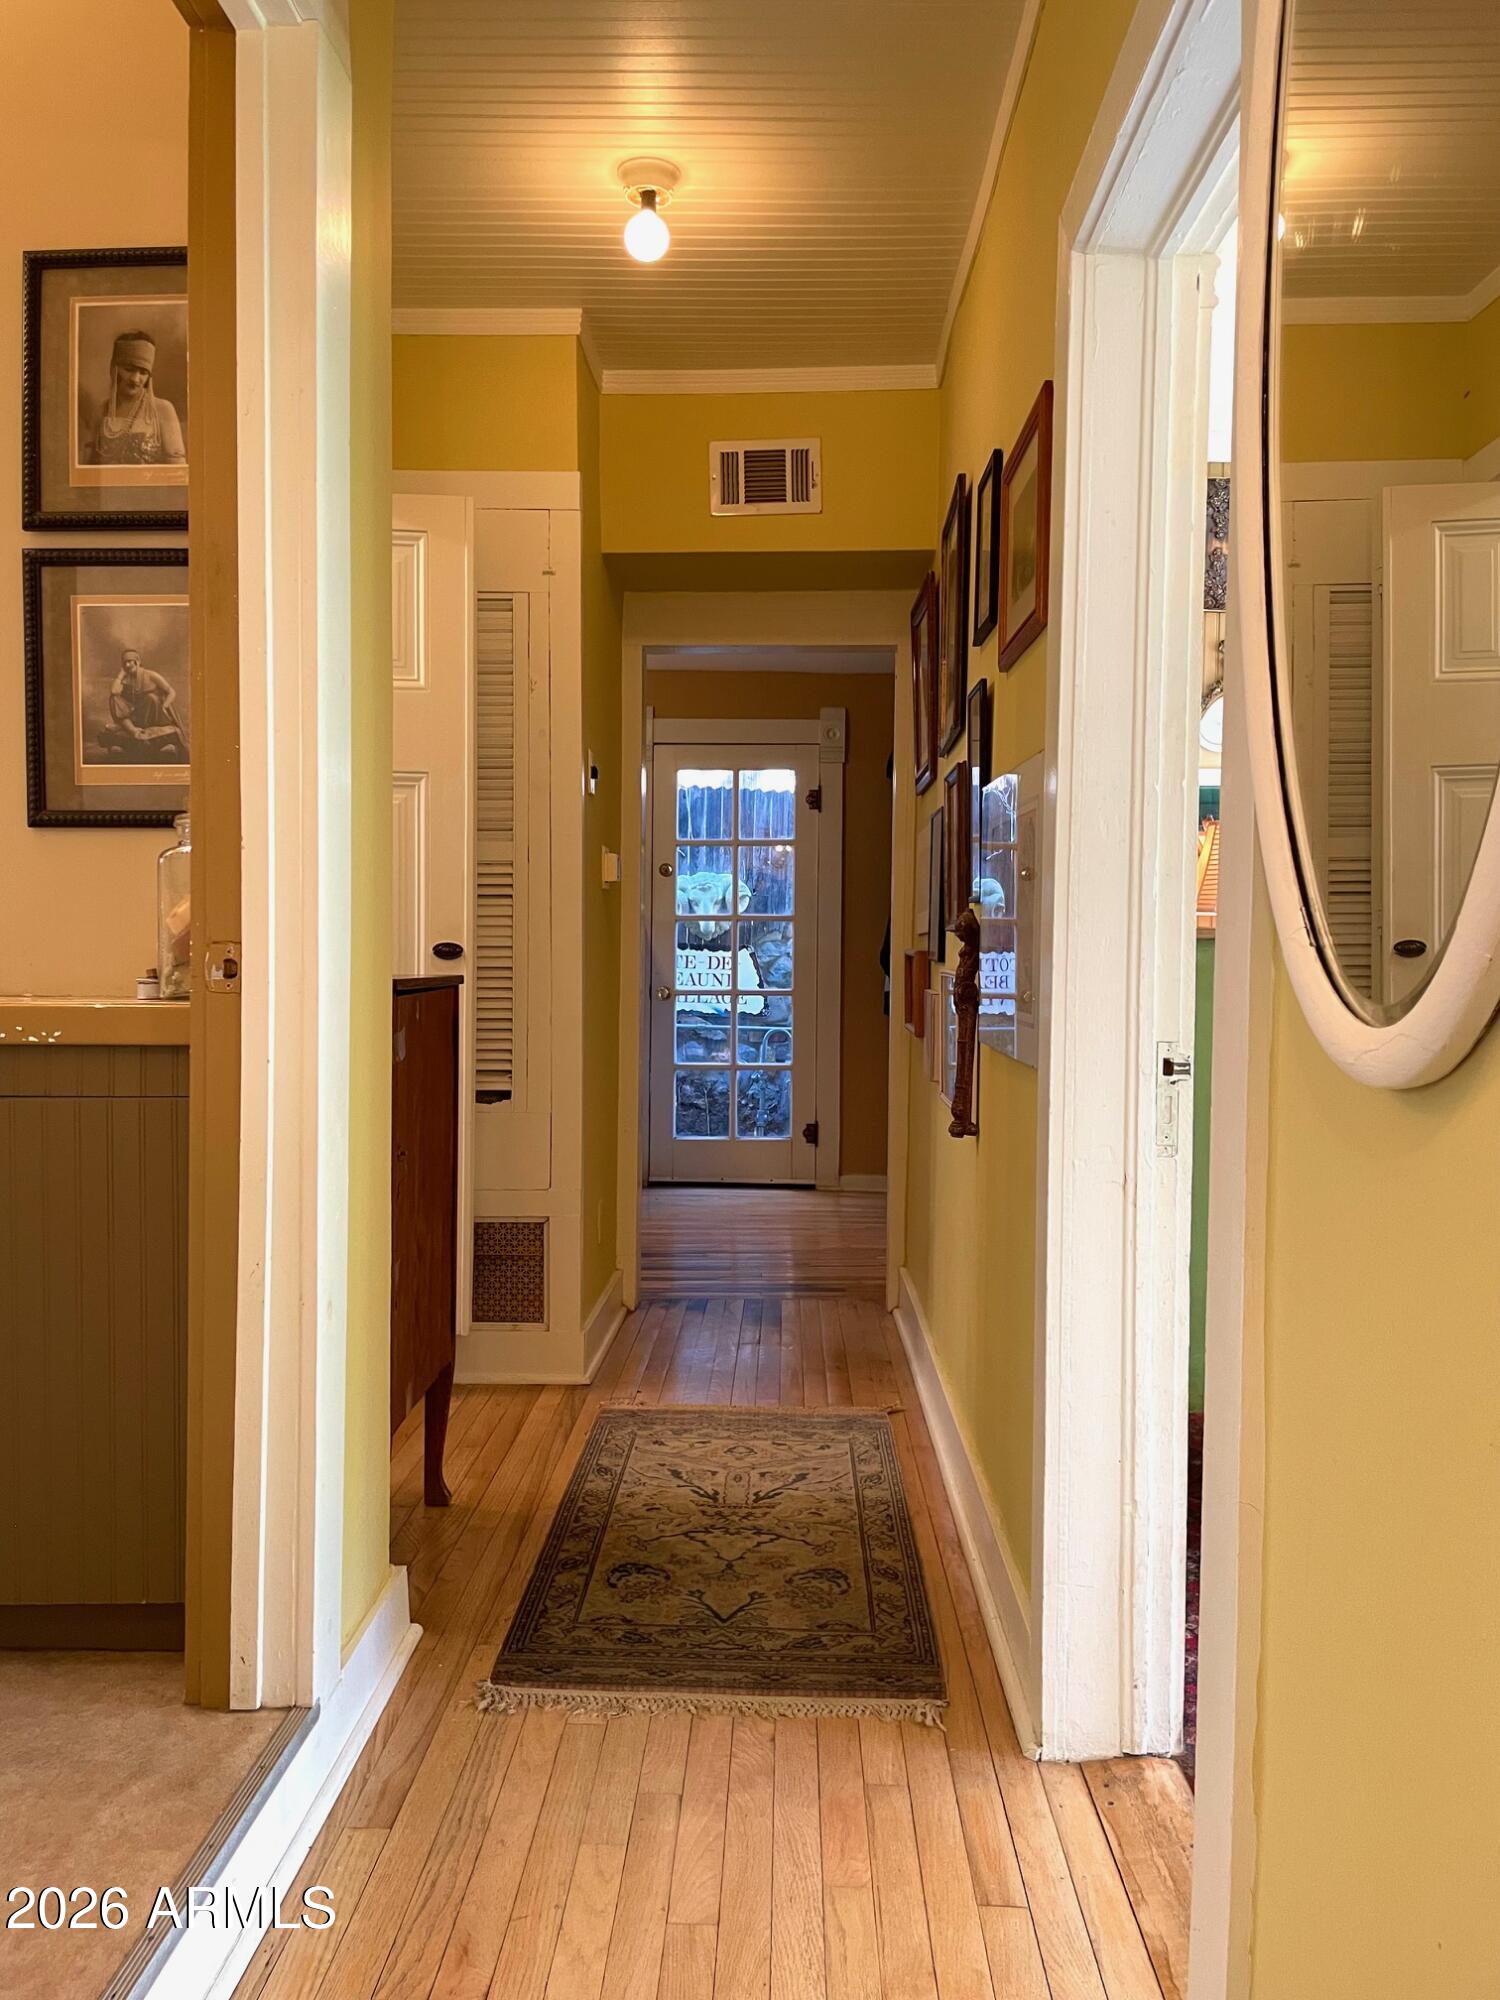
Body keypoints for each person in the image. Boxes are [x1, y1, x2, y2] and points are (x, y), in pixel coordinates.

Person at [79, 329, 186, 468]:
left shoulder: (163, 409)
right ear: (114, 369)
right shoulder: (100, 411)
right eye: (129, 369)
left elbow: (177, 471)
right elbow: (88, 469)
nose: (135, 379)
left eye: (143, 372)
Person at [97, 647, 188, 764]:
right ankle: (133, 730)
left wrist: (164, 706)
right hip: (138, 717)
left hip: (156, 715)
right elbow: (114, 692)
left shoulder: (151, 675)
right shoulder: (125, 679)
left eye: (130, 661)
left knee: (151, 698)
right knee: (114, 698)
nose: (128, 665)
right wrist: (120, 675)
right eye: (125, 663)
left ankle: (125, 728)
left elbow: (171, 691)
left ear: (137, 661)